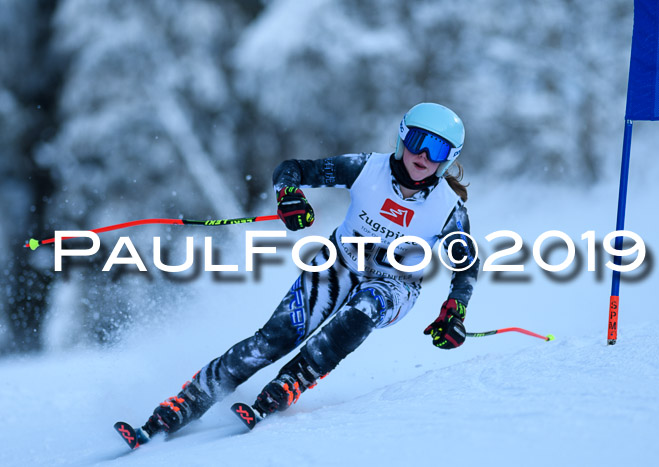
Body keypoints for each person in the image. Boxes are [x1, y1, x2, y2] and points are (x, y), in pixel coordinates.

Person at [133, 102, 479, 442]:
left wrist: (455, 310)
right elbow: (292, 169)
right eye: (419, 141)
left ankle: (294, 379)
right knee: (276, 337)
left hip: (396, 283)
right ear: (403, 138)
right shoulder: (364, 168)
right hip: (339, 262)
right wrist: (289, 195)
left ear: (448, 158)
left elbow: (465, 265)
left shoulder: (449, 207)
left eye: (438, 150)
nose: (424, 156)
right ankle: (188, 401)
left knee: (366, 307)